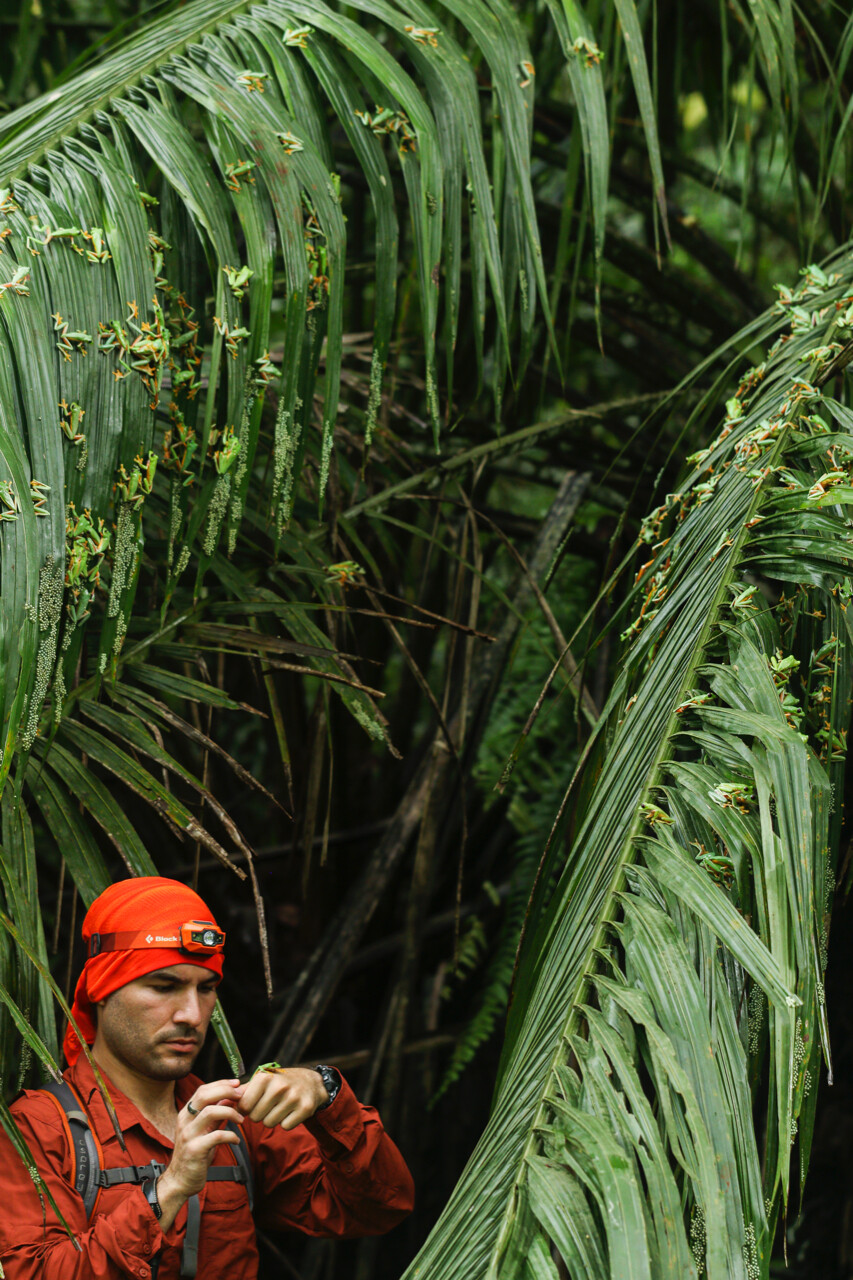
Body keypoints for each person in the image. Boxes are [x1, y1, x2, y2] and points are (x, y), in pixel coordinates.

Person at [0, 877, 414, 1278]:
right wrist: (170, 1188)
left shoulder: (233, 1116)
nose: (193, 1016)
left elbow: (380, 1206)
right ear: (100, 989)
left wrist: (325, 1091)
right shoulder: (38, 1128)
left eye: (206, 988)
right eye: (164, 986)